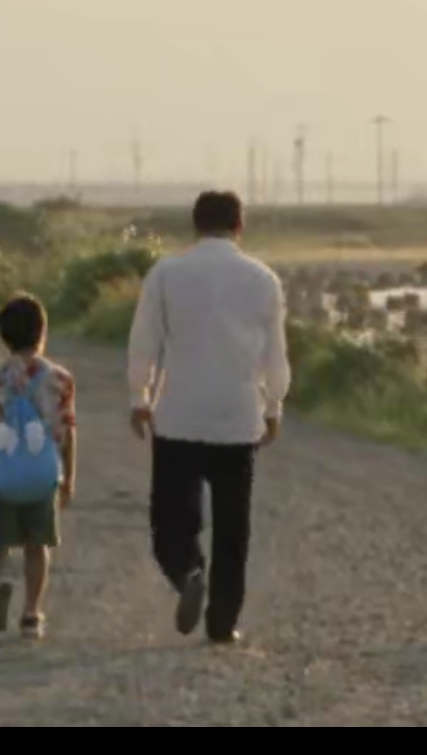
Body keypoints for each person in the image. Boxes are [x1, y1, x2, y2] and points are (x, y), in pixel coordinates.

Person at [126, 190, 290, 645]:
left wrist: (139, 396)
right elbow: (275, 354)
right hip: (237, 416)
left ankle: (187, 570)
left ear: (195, 226)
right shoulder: (263, 279)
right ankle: (222, 623)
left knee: (171, 520)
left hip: (178, 413)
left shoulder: (168, 273)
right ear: (240, 226)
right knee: (233, 526)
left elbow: (145, 341)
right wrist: (274, 404)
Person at [0, 293, 77, 641]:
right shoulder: (60, 379)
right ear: (42, 332)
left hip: (2, 473)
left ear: (3, 336)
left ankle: (0, 576)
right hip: (42, 474)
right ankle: (32, 613)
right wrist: (68, 477)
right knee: (37, 545)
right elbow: (67, 430)